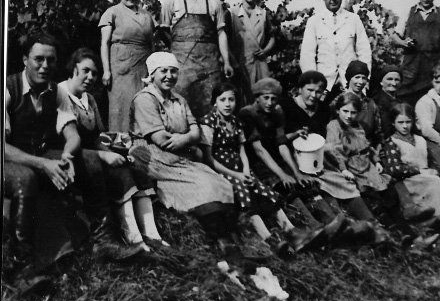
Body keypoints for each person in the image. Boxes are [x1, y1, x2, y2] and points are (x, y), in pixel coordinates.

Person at [59, 48, 167, 253]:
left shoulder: (89, 99)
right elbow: (64, 139)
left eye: (94, 73)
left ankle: (152, 235)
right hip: (72, 157)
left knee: (133, 168)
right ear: (73, 68)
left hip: (94, 154)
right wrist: (103, 155)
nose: (90, 77)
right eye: (85, 71)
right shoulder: (61, 94)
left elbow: (97, 136)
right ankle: (133, 236)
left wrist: (115, 153)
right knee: (120, 174)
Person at [128, 51, 235, 236]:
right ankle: (218, 236)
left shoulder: (179, 100)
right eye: (163, 71)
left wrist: (184, 139)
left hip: (178, 155)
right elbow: (162, 140)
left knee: (219, 182)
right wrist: (188, 138)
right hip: (152, 157)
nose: (169, 76)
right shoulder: (144, 99)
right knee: (204, 185)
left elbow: (195, 130)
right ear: (152, 74)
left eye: (173, 71)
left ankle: (225, 236)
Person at [4, 32, 81, 272]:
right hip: (8, 161)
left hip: (35, 158)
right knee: (25, 178)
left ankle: (102, 240)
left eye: (51, 60)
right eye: (38, 59)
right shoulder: (8, 88)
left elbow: (72, 135)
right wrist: (43, 164)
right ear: (25, 60)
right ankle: (22, 267)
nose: (45, 66)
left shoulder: (57, 91)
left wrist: (68, 154)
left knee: (85, 159)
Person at [199, 82, 296, 244]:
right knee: (243, 191)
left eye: (231, 100)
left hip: (240, 168)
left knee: (261, 188)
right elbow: (209, 159)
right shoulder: (208, 123)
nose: (227, 104)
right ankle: (267, 237)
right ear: (215, 102)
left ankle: (290, 230)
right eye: (223, 100)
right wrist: (236, 175)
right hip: (221, 170)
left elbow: (241, 149)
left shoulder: (236, 122)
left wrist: (245, 170)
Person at [277, 72, 376, 221]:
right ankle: (337, 224)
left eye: (318, 92)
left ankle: (371, 223)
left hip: (319, 158)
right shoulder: (285, 107)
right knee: (313, 188)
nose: (313, 95)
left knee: (343, 182)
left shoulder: (323, 110)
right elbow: (280, 142)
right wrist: (296, 171)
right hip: (291, 159)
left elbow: (328, 137)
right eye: (309, 90)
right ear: (300, 89)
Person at [159, 0, 234, 120]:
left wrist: (227, 61)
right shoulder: (172, 0)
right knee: (180, 109)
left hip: (209, 67)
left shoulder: (214, 2)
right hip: (182, 67)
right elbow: (164, 31)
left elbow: (221, 33)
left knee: (210, 108)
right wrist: (180, 50)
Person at [299, 0, 372, 103]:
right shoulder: (314, 21)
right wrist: (313, 84)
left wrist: (364, 82)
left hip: (349, 82)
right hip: (324, 84)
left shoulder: (353, 19)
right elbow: (307, 55)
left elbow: (364, 51)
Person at [99, 0, 155, 132]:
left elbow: (151, 44)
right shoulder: (112, 12)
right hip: (120, 68)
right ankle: (119, 142)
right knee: (121, 107)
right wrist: (106, 71)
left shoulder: (146, 15)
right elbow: (104, 43)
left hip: (143, 67)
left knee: (143, 105)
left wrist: (153, 70)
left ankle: (141, 144)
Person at [379, 103, 440, 221]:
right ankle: (437, 219)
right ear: (393, 123)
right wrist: (419, 171)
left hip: (426, 178)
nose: (405, 126)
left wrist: (435, 170)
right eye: (400, 122)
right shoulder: (392, 142)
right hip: (408, 182)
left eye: (408, 122)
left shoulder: (420, 140)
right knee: (437, 183)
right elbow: (394, 169)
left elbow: (431, 160)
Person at [326, 92, 391, 194]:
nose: (349, 116)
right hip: (351, 167)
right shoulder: (334, 125)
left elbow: (366, 146)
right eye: (345, 111)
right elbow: (335, 150)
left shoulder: (358, 126)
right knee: (367, 192)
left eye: (353, 112)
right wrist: (343, 169)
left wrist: (376, 161)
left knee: (384, 189)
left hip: (366, 165)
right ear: (338, 110)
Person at [228, 0, 276, 104]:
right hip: (240, 64)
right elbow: (225, 40)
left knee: (262, 98)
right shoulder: (232, 13)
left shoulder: (263, 14)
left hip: (259, 63)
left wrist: (265, 51)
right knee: (241, 99)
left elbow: (272, 37)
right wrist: (232, 62)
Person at [332, 60, 384, 149]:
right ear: (349, 78)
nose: (361, 81)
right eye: (357, 77)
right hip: (342, 149)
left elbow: (378, 133)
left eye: (364, 78)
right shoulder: (337, 101)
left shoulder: (370, 104)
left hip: (367, 149)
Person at [371, 64, 403, 138]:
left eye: (397, 80)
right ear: (381, 82)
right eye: (389, 79)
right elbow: (385, 130)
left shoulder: (400, 100)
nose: (394, 83)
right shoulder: (377, 101)